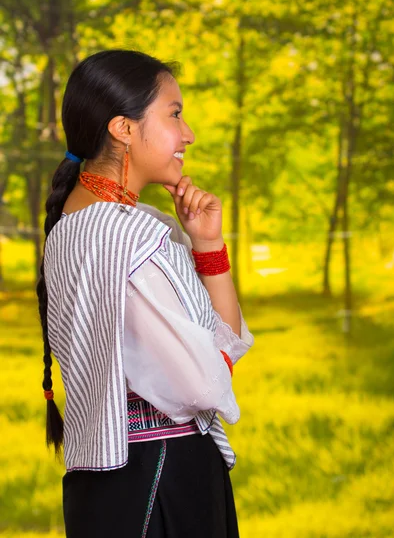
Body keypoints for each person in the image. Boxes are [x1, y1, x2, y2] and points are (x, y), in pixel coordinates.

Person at [36, 49, 254, 538]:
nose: (188, 133)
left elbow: (220, 351)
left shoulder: (70, 228)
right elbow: (207, 385)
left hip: (103, 489)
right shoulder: (133, 238)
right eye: (174, 114)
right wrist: (216, 362)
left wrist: (207, 246)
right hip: (164, 482)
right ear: (124, 128)